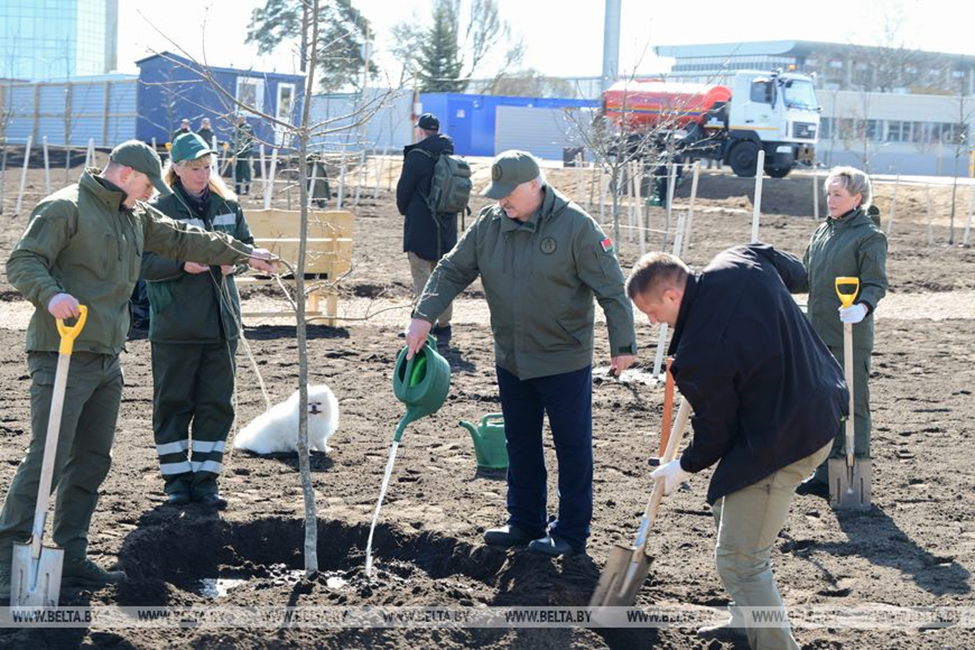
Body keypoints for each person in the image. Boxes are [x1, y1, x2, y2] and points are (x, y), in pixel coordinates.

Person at [0, 139, 277, 598]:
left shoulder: (136, 215)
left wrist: (243, 254)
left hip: (107, 355)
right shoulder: (65, 207)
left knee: (92, 460)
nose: (152, 194)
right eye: (148, 185)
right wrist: (51, 295)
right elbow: (23, 261)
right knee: (48, 457)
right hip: (62, 352)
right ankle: (6, 560)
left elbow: (185, 238)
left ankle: (71, 554)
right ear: (126, 174)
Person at [403, 150, 637, 558]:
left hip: (563, 359)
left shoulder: (576, 225)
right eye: (498, 194)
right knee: (520, 442)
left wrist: (623, 346)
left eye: (508, 193)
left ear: (534, 185)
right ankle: (524, 521)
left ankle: (571, 532)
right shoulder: (489, 224)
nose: (502, 201)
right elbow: (452, 269)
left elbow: (611, 287)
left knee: (572, 447)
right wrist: (423, 315)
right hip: (512, 357)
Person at [627, 245, 847, 649]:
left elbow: (717, 433)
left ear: (672, 295)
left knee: (740, 561)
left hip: (787, 437)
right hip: (817, 399)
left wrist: (683, 466)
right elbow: (796, 272)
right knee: (725, 503)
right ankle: (746, 621)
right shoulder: (741, 260)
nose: (652, 322)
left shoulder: (700, 349)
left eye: (651, 312)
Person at [141, 133, 253, 509]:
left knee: (217, 403)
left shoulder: (228, 205)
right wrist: (181, 264)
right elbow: (141, 263)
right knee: (173, 403)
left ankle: (206, 480)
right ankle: (176, 480)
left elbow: (247, 246)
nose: (203, 174)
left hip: (222, 325)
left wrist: (236, 263)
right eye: (194, 168)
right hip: (176, 326)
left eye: (207, 167)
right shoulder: (158, 209)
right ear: (176, 168)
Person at [797, 166, 888, 493]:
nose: (830, 200)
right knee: (824, 406)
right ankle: (824, 475)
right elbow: (804, 277)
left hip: (850, 337)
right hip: (818, 336)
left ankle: (851, 482)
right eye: (829, 194)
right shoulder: (824, 231)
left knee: (852, 407)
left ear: (857, 198)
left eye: (837, 194)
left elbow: (876, 283)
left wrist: (862, 307)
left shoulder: (869, 236)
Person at [396, 112, 458, 345]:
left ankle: (422, 324)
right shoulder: (449, 154)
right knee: (442, 277)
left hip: (421, 226)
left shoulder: (416, 156)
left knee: (422, 276)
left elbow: (403, 191)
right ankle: (444, 325)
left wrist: (407, 211)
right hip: (447, 227)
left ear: (420, 131)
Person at [231, 115, 255, 196]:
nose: (239, 120)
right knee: (237, 170)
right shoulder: (235, 128)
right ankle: (237, 189)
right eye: (238, 118)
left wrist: (248, 153)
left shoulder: (247, 128)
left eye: (241, 118)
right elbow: (233, 140)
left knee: (246, 170)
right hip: (237, 153)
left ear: (244, 119)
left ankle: (247, 189)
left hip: (246, 153)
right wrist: (232, 152)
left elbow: (250, 141)